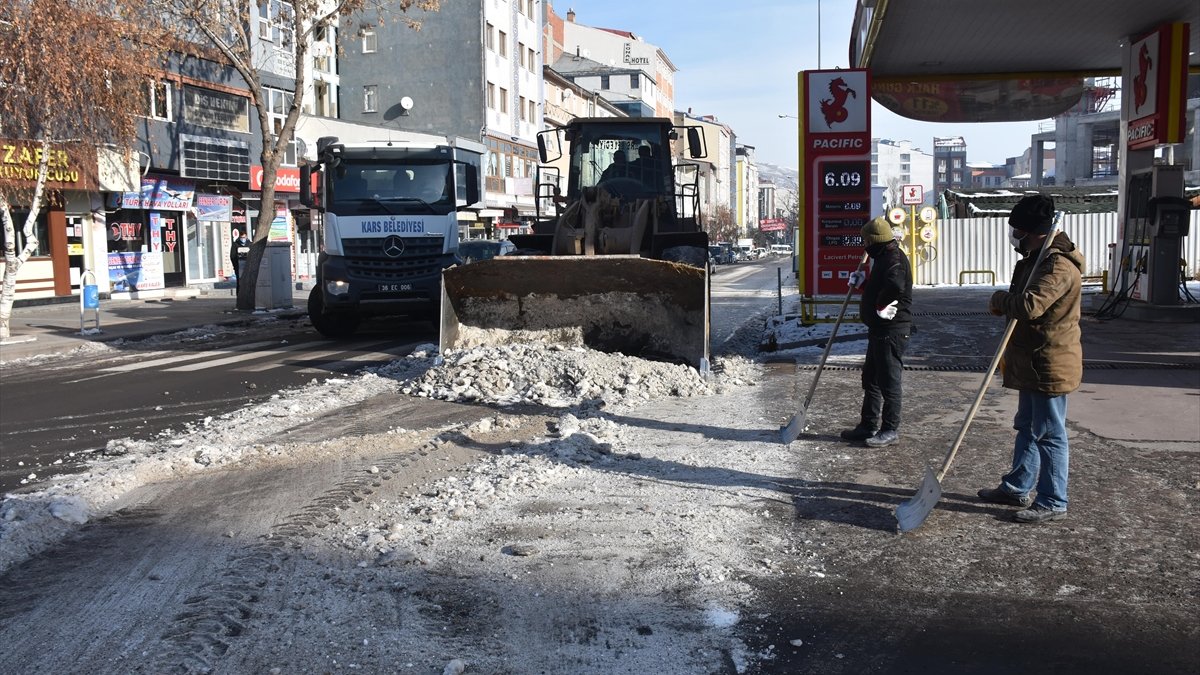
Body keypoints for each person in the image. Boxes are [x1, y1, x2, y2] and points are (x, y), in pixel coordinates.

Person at [977, 194, 1084, 524]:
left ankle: (1053, 499)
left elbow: (1030, 306)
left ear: (1034, 231)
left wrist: (999, 299)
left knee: (1050, 433)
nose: (1015, 236)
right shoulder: (1034, 258)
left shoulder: (1057, 265)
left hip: (1050, 361)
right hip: (1031, 359)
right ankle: (1017, 486)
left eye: (1019, 229)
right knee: (1027, 425)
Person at [840, 216, 913, 447]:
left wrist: (882, 304)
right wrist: (863, 284)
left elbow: (895, 286)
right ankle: (868, 425)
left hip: (892, 330)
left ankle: (890, 429)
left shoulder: (894, 259)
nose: (865, 246)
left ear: (875, 241)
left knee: (889, 382)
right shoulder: (883, 257)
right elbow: (880, 285)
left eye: (866, 241)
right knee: (870, 379)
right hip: (878, 330)